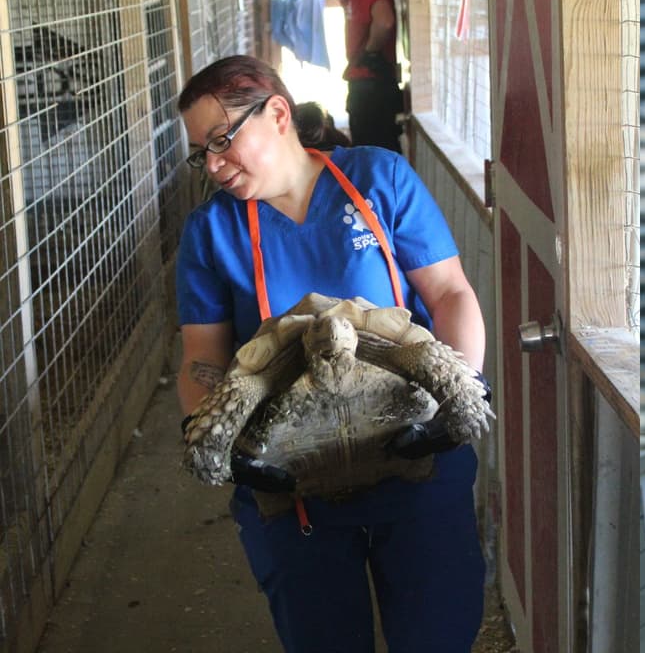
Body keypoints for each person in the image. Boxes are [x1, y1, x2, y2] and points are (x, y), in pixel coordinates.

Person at [175, 54, 486, 652]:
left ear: (278, 114)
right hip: (292, 487)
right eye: (201, 152)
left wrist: (460, 392)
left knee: (438, 633)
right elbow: (200, 359)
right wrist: (218, 441)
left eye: (222, 141)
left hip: (415, 456)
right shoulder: (211, 232)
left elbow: (450, 294)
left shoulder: (379, 179)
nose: (212, 165)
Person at [320, 0, 403, 153]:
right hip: (363, 83)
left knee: (376, 155)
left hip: (373, 85)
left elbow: (384, 21)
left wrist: (370, 53)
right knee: (367, 153)